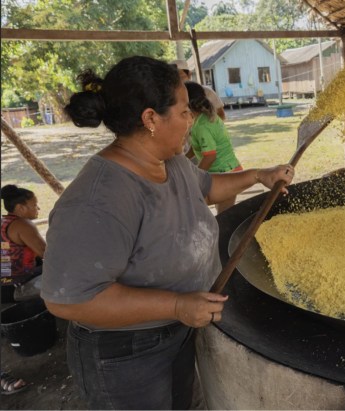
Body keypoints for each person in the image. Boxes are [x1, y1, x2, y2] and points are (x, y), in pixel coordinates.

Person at [40, 56, 294, 410]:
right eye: (185, 111)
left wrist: (258, 176)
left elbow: (207, 188)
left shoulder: (171, 163)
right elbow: (68, 299)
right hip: (124, 354)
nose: (192, 119)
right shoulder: (100, 199)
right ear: (150, 119)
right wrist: (176, 304)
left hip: (177, 330)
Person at [184, 81, 243, 214]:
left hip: (227, 173)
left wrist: (196, 177)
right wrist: (183, 159)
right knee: (220, 213)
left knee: (224, 216)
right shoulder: (200, 120)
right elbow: (197, 147)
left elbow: (210, 156)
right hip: (222, 172)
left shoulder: (203, 126)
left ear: (188, 104)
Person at [1, 184, 46, 301]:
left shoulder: (4, 221)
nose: (38, 208)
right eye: (35, 205)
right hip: (15, 286)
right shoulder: (23, 225)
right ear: (21, 208)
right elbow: (48, 254)